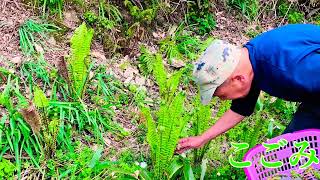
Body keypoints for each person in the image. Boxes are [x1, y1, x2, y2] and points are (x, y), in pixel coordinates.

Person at [176, 24, 320, 154]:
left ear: (238, 79)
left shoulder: (287, 68)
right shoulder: (248, 63)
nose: (223, 99)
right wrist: (202, 138)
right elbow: (241, 108)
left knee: (298, 152)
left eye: (222, 96)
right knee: (292, 152)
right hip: (314, 96)